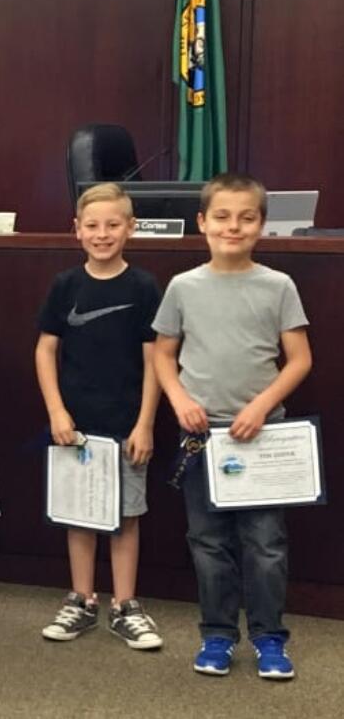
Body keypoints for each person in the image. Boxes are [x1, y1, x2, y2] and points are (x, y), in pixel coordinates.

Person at [153, 173, 312, 680]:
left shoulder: (278, 286)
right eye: (221, 216)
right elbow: (163, 353)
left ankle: (269, 638)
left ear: (262, 225)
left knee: (266, 544)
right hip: (203, 437)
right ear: (201, 222)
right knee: (208, 541)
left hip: (262, 435)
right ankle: (218, 635)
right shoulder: (183, 286)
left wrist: (261, 406)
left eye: (246, 217)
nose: (233, 226)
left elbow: (299, 359)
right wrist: (178, 398)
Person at [35, 183, 163, 649]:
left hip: (127, 425)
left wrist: (145, 422)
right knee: (81, 515)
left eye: (113, 225)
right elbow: (46, 350)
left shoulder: (144, 286)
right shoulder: (65, 285)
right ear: (77, 230)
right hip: (75, 426)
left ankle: (125, 604)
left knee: (127, 516)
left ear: (130, 228)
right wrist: (56, 411)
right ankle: (82, 600)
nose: (102, 234)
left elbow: (156, 361)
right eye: (92, 225)